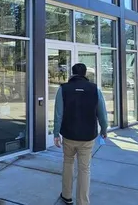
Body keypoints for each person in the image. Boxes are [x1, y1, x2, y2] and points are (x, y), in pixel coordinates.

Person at [53, 63, 108, 205]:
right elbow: (102, 113)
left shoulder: (63, 89)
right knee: (84, 169)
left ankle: (66, 196)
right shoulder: (95, 89)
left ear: (72, 73)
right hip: (88, 137)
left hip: (69, 135)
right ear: (85, 74)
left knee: (68, 163)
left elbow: (58, 114)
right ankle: (83, 202)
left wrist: (56, 133)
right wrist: (104, 129)